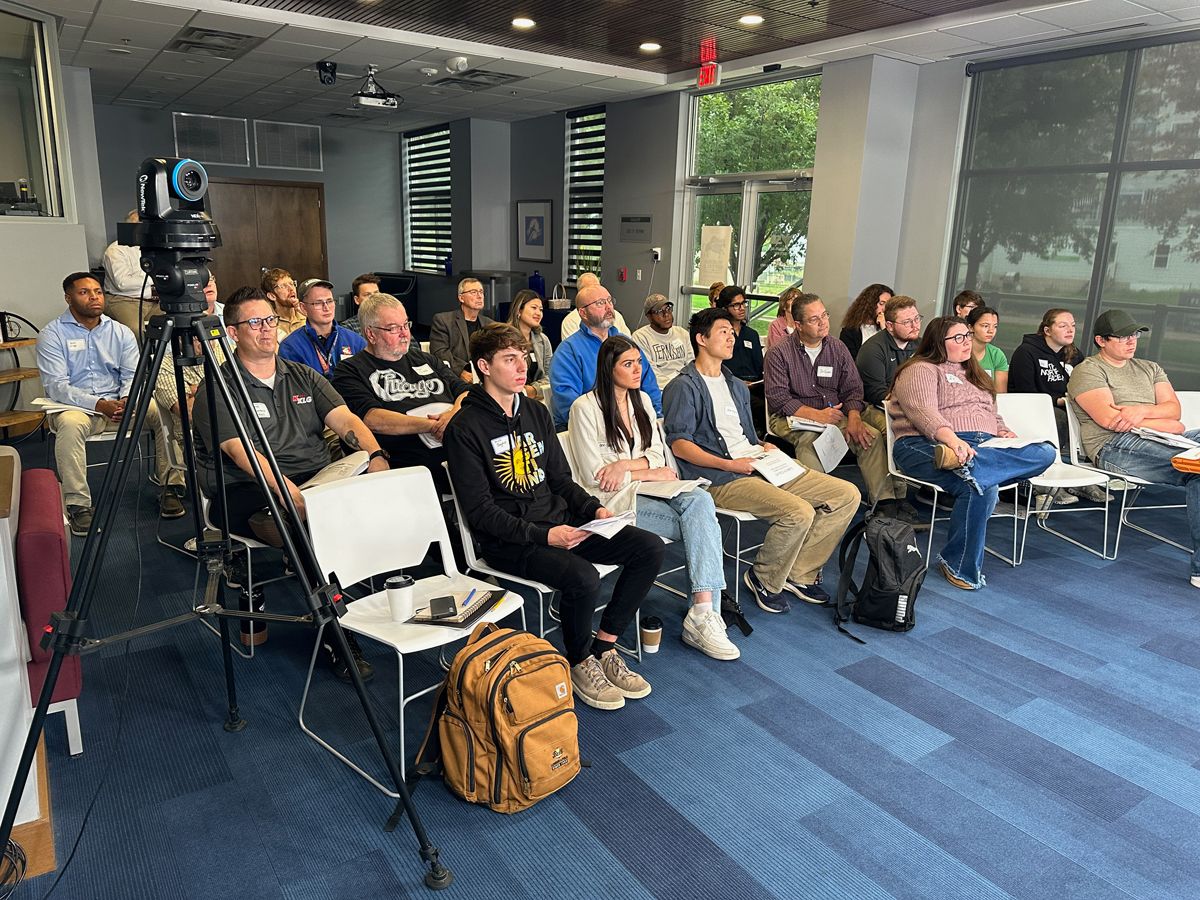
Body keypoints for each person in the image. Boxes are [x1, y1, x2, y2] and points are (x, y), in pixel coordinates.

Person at [444, 324, 664, 710]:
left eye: (524, 357)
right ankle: (579, 661)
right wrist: (545, 537)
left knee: (647, 547)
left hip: (560, 524)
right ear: (483, 366)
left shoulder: (534, 411)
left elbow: (561, 480)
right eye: (509, 359)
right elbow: (480, 514)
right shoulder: (465, 427)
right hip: (509, 541)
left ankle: (605, 646)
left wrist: (594, 510)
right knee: (582, 577)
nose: (521, 367)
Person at [191, 292, 389, 667]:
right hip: (245, 487)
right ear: (232, 332)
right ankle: (337, 636)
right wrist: (288, 492)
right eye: (254, 323)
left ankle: (372, 602)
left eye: (270, 321)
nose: (266, 330)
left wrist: (376, 456)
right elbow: (242, 452)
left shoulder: (302, 374)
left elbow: (346, 420)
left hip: (314, 477)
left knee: (365, 503)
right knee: (304, 529)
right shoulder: (219, 386)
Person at [664, 308, 859, 613]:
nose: (732, 337)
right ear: (701, 339)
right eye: (723, 332)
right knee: (799, 512)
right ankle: (764, 577)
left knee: (847, 495)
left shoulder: (735, 384)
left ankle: (799, 572)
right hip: (721, 477)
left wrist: (765, 446)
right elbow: (680, 445)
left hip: (757, 462)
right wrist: (731, 465)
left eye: (732, 331)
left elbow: (744, 435)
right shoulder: (683, 387)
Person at [568, 336, 739, 661]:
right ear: (609, 367)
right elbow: (596, 476)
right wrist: (644, 470)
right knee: (702, 523)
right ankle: (704, 616)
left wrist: (625, 466)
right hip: (613, 504)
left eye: (639, 363)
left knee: (701, 502)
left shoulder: (643, 400)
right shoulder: (584, 408)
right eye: (628, 364)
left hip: (649, 490)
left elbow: (658, 458)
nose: (637, 370)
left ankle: (703, 611)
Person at [889, 316, 1056, 590]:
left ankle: (977, 467)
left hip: (980, 449)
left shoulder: (976, 374)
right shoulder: (921, 369)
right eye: (958, 338)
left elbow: (991, 414)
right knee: (983, 488)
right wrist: (953, 441)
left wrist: (1002, 431)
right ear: (938, 343)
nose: (966, 341)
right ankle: (958, 565)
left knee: (1045, 452)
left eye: (967, 335)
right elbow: (923, 414)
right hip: (926, 444)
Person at [37, 272, 185, 535]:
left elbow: (132, 374)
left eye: (98, 291)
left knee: (162, 409)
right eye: (84, 292)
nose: (94, 297)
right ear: (68, 298)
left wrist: (128, 399)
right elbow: (57, 386)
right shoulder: (52, 334)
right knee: (70, 426)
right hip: (78, 407)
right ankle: (78, 504)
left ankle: (170, 486)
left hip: (121, 403)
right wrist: (99, 404)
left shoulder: (120, 332)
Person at [1068, 309, 1200, 589]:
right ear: (1101, 340)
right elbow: (1111, 421)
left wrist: (1138, 412)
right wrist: (1163, 419)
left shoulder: (1150, 368)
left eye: (1135, 334)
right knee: (1197, 469)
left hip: (1159, 437)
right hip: (1114, 447)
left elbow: (1175, 413)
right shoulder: (1089, 370)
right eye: (1123, 336)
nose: (1132, 341)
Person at [765, 294, 912, 520]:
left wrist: (854, 418)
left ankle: (884, 501)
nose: (823, 322)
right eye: (814, 319)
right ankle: (815, 501)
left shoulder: (837, 348)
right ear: (798, 325)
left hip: (833, 414)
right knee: (810, 440)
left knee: (868, 436)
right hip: (792, 416)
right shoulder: (780, 353)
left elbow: (853, 389)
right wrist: (816, 416)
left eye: (824, 315)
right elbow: (778, 398)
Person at [332, 292, 468, 491]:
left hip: (459, 449)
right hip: (409, 462)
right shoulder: (350, 370)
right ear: (371, 334)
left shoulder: (425, 359)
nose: (405, 334)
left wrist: (453, 415)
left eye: (406, 325)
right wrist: (432, 426)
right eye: (394, 328)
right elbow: (372, 419)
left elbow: (467, 393)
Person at [1009, 308, 1106, 505]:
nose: (1070, 330)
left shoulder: (1074, 354)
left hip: (1067, 406)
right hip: (1032, 409)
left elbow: (1086, 383)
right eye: (1063, 326)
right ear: (1047, 330)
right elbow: (1024, 392)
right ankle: (1049, 480)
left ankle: (1081, 475)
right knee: (1059, 418)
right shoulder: (1026, 352)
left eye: (1072, 326)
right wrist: (1059, 400)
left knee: (1095, 417)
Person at [152, 271, 230, 494]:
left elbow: (247, 394)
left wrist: (198, 391)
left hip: (240, 425)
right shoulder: (167, 365)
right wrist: (212, 390)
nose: (201, 338)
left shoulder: (229, 352)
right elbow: (190, 413)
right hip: (199, 436)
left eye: (204, 332)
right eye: (194, 334)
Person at [549, 283, 661, 430]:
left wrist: (658, 417)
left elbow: (649, 384)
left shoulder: (626, 344)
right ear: (583, 313)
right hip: (588, 428)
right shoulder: (568, 351)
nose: (609, 307)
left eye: (609, 300)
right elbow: (568, 407)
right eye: (600, 303)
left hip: (631, 422)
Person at [278, 278, 366, 377]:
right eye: (318, 303)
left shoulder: (356, 341)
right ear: (303, 308)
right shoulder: (290, 347)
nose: (326, 308)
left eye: (329, 301)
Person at [856, 294, 921, 408]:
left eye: (917, 319)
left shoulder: (922, 345)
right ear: (890, 326)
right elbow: (876, 394)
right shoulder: (872, 350)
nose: (915, 326)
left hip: (916, 405)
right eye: (907, 322)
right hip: (880, 408)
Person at [430, 277, 495, 382]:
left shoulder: (490, 324)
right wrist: (460, 371)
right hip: (456, 378)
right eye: (473, 292)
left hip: (486, 377)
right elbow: (439, 352)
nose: (479, 296)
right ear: (461, 298)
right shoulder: (443, 320)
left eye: (481, 292)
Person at [632, 293, 693, 389]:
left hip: (685, 385)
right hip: (660, 388)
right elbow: (650, 372)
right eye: (659, 311)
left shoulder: (682, 333)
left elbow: (691, 363)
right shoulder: (641, 337)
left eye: (668, 309)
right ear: (649, 316)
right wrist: (675, 387)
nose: (666, 314)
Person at [506, 289, 554, 403]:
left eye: (541, 310)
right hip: (509, 397)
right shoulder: (504, 339)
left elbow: (550, 375)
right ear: (519, 310)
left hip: (537, 397)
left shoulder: (543, 340)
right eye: (534, 308)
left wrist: (533, 390)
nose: (538, 313)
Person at [558, 272, 631, 340]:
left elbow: (630, 345)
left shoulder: (616, 316)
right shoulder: (570, 321)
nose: (596, 292)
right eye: (590, 290)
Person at [838, 283, 893, 360]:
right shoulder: (850, 332)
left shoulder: (892, 330)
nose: (885, 309)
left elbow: (893, 357)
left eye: (888, 305)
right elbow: (849, 363)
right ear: (870, 305)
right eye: (882, 303)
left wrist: (884, 328)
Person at [967, 305, 1008, 392]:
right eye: (985, 326)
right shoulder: (959, 351)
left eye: (995, 326)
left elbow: (1000, 394)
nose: (991, 331)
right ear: (970, 327)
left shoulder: (997, 355)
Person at [262, 268, 306, 340]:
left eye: (292, 284)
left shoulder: (306, 316)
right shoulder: (270, 325)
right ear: (272, 296)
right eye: (284, 286)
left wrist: (310, 317)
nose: (291, 289)